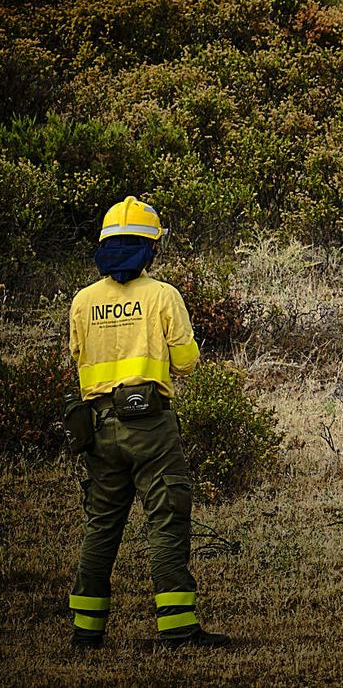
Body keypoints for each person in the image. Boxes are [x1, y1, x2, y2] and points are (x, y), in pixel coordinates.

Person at [67, 197, 228, 650]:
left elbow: (78, 358)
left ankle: (86, 630)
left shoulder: (83, 302)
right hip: (151, 427)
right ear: (150, 249)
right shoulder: (162, 296)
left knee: (101, 525)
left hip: (96, 429)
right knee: (166, 521)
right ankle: (177, 629)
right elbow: (188, 363)